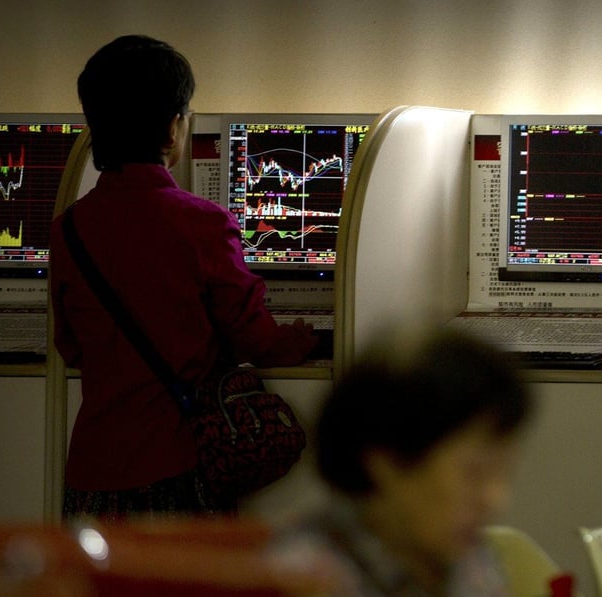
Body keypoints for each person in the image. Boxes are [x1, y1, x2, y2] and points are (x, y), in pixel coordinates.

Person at [50, 35, 319, 519]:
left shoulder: (68, 229)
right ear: (173, 129)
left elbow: (71, 345)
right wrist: (307, 340)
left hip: (92, 475)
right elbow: (256, 339)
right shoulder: (202, 223)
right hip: (176, 472)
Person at [270, 325, 534, 596]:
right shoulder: (303, 577)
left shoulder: (467, 558)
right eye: (473, 472)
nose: (496, 498)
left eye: (503, 472)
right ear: (387, 462)